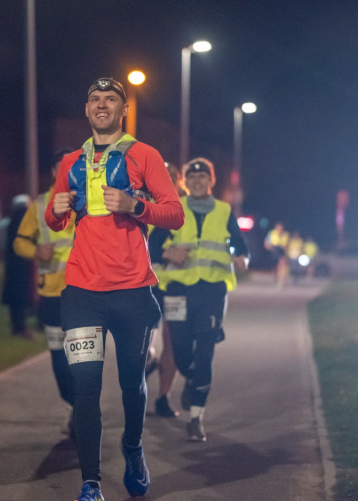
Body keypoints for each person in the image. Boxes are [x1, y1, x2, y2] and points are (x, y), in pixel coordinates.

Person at [47, 77, 184, 501]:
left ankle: (133, 448)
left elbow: (175, 214)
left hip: (131, 292)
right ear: (86, 110)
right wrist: (56, 211)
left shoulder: (145, 155)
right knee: (85, 388)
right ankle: (91, 483)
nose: (102, 105)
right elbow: (56, 221)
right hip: (82, 294)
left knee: (130, 384)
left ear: (122, 110)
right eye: (94, 99)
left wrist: (136, 206)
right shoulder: (72, 160)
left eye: (110, 99)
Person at [150, 157, 249, 442]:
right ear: (184, 182)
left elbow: (240, 244)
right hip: (178, 291)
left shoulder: (223, 211)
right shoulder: (173, 210)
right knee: (180, 351)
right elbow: (151, 247)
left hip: (212, 292)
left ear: (211, 181)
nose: (196, 182)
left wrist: (242, 257)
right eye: (191, 179)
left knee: (205, 349)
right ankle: (191, 378)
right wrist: (169, 254)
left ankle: (196, 418)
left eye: (202, 177)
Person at [13, 150, 75, 434]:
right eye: (61, 167)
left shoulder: (91, 201)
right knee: (60, 360)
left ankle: (83, 412)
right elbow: (19, 242)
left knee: (85, 358)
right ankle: (75, 406)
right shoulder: (40, 205)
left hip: (86, 295)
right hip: (52, 294)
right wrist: (36, 250)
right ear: (53, 171)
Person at [146, 162, 183, 418]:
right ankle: (149, 362)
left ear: (179, 181)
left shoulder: (185, 210)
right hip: (146, 284)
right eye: (162, 175)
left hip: (177, 286)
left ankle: (163, 397)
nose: (167, 179)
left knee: (174, 341)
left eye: (172, 176)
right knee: (145, 338)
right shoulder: (141, 205)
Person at [1, 194, 37, 338]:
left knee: (16, 298)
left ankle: (18, 327)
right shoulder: (24, 220)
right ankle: (20, 329)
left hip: (12, 266)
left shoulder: (11, 221)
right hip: (24, 265)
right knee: (21, 296)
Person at [264, 222, 289, 287]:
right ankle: (277, 278)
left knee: (282, 265)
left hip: (282, 251)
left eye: (281, 227)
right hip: (274, 250)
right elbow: (266, 242)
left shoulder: (285, 234)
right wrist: (269, 247)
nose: (279, 229)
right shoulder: (271, 233)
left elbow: (288, 245)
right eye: (278, 227)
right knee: (276, 267)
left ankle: (281, 281)